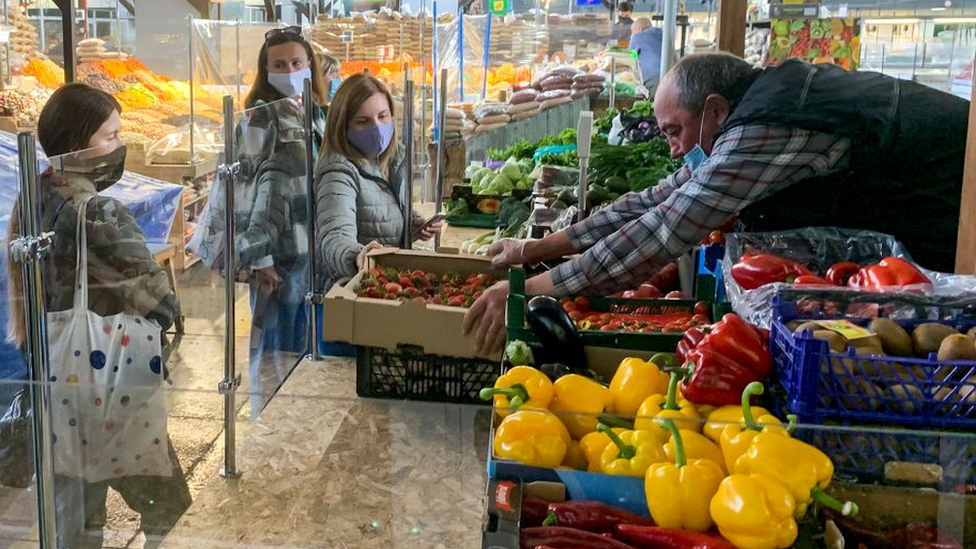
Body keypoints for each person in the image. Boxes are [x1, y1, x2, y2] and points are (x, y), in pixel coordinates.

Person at [463, 53, 969, 354]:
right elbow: (658, 199)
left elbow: (667, 229)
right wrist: (535, 249)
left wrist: (528, 291)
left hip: (959, 220)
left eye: (675, 131)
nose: (673, 148)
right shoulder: (760, 108)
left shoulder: (764, 126)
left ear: (715, 110)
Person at [6, 83, 191, 548]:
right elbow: (159, 298)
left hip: (57, 376)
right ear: (77, 143)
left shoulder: (34, 194)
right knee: (168, 506)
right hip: (109, 379)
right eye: (111, 136)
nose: (120, 146)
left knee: (77, 504)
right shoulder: (98, 209)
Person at [238, 26, 327, 418]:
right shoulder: (260, 116)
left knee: (302, 341)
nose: (289, 70)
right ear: (265, 69)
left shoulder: (312, 110)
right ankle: (268, 424)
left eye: (296, 62)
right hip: (278, 255)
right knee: (274, 347)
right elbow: (244, 187)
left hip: (310, 250)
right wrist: (259, 258)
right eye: (279, 64)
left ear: (310, 65)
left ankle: (298, 421)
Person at [314, 73, 441, 301]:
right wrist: (357, 256)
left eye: (383, 116)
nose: (377, 127)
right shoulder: (337, 172)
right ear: (342, 126)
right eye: (362, 122)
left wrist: (412, 223)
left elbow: (380, 210)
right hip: (356, 297)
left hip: (385, 290)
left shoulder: (390, 159)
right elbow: (334, 235)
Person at [629, 17, 664, 91]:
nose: (632, 34)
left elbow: (631, 58)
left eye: (633, 31)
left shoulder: (636, 37)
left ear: (640, 28)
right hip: (669, 75)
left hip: (651, 79)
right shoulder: (664, 35)